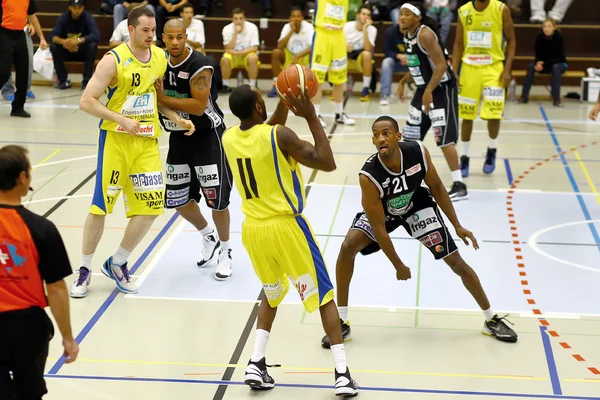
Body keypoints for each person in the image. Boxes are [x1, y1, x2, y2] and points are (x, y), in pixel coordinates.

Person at [320, 116, 518, 349]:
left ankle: (491, 318)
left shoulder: (418, 152)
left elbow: (436, 187)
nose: (381, 138)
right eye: (376, 135)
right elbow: (379, 228)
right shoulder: (369, 176)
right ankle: (342, 321)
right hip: (385, 214)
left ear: (398, 136)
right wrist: (398, 265)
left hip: (417, 206)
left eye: (386, 133)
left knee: (456, 261)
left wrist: (457, 225)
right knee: (347, 247)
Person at [221, 85, 359, 397]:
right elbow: (326, 161)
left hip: (254, 231)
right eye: (262, 100)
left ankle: (256, 362)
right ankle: (341, 373)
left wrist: (282, 102)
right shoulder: (280, 136)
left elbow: (264, 130)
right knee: (323, 295)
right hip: (287, 228)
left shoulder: (229, 137)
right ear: (259, 107)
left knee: (271, 295)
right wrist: (311, 117)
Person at [70, 6, 194, 298]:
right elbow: (87, 101)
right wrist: (122, 120)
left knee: (151, 207)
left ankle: (118, 262)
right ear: (131, 29)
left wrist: (176, 118)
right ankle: (85, 269)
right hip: (115, 141)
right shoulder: (113, 61)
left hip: (147, 142)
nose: (151, 36)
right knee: (100, 207)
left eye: (154, 31)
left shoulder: (160, 58)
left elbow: (156, 97)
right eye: (146, 30)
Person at [0, 145, 79, 399]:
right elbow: (55, 289)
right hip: (27, 329)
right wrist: (67, 337)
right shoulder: (42, 229)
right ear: (22, 178)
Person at [157, 19, 233, 280]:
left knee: (217, 202)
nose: (175, 42)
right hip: (179, 137)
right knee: (178, 201)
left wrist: (161, 98)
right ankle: (207, 235)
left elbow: (199, 106)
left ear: (186, 36)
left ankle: (226, 250)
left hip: (207, 137)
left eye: (180, 37)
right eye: (170, 38)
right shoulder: (157, 61)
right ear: (163, 38)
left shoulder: (200, 64)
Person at [397, 3, 467, 201]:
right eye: (401, 14)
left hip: (441, 89)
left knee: (443, 138)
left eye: (407, 14)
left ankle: (459, 184)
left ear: (417, 17)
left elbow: (441, 65)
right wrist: (404, 80)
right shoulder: (407, 36)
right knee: (410, 136)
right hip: (424, 89)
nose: (402, 17)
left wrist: (429, 90)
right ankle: (410, 182)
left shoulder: (425, 34)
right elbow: (418, 65)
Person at [452, 0, 515, 177]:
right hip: (469, 68)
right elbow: (458, 44)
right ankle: (464, 156)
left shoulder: (501, 9)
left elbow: (511, 41)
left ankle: (492, 150)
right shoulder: (464, 11)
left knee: (494, 114)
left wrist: (507, 70)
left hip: (493, 68)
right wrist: (454, 71)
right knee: (466, 115)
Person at [310, 0, 356, 127]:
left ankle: (339, 113)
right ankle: (316, 114)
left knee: (339, 78)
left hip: (339, 36)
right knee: (317, 78)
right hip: (322, 35)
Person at [0, 0, 41, 118]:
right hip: (4, 33)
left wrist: (40, 35)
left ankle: (18, 107)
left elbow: (31, 14)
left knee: (24, 71)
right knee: (3, 71)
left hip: (20, 35)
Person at [49, 0, 100, 90]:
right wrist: (65, 42)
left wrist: (78, 41)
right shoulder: (63, 18)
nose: (77, 10)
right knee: (54, 46)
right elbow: (52, 36)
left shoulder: (88, 17)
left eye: (79, 8)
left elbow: (96, 35)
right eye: (74, 8)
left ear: (83, 8)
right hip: (67, 50)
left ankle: (86, 81)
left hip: (82, 51)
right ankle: (63, 80)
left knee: (92, 46)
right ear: (70, 7)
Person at [267, 6, 313, 98]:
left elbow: (313, 47)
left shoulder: (309, 27)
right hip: (289, 55)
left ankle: (310, 86)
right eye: (293, 16)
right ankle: (276, 84)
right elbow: (279, 46)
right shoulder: (287, 27)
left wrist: (298, 56)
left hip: (304, 55)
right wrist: (292, 30)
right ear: (290, 18)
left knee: (314, 53)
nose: (296, 19)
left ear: (302, 18)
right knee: (276, 52)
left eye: (298, 16)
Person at [519, 19, 567, 107]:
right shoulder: (539, 38)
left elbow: (558, 57)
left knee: (555, 68)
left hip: (559, 64)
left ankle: (556, 99)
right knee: (530, 66)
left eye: (549, 26)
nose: (546, 29)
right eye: (544, 26)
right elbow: (537, 54)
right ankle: (524, 96)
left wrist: (543, 64)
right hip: (544, 64)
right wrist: (538, 63)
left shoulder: (559, 38)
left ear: (554, 28)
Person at [2, 14, 47, 101]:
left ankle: (25, 89)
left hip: (23, 31)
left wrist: (32, 26)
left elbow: (31, 14)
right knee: (6, 64)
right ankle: (7, 90)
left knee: (28, 62)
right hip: (5, 31)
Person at [220, 8, 260, 91]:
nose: (238, 21)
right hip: (232, 54)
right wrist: (235, 33)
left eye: (241, 18)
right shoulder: (226, 29)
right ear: (232, 19)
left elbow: (255, 48)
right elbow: (228, 48)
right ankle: (225, 85)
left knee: (253, 58)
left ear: (245, 18)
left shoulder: (252, 27)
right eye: (236, 19)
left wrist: (239, 52)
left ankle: (252, 86)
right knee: (225, 60)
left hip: (247, 54)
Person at [344, 5, 377, 102]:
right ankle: (336, 87)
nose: (366, 16)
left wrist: (365, 29)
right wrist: (344, 46)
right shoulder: (347, 26)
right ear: (358, 15)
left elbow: (367, 47)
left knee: (367, 54)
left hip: (360, 54)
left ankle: (366, 89)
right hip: (346, 52)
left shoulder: (372, 29)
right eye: (363, 14)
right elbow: (337, 42)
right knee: (337, 52)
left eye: (368, 15)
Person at [379, 12, 409, 106]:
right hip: (396, 63)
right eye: (401, 19)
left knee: (424, 62)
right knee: (386, 62)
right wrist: (398, 56)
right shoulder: (391, 32)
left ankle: (421, 93)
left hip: (412, 63)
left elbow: (421, 51)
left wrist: (410, 58)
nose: (403, 21)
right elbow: (386, 51)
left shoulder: (415, 33)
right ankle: (385, 95)